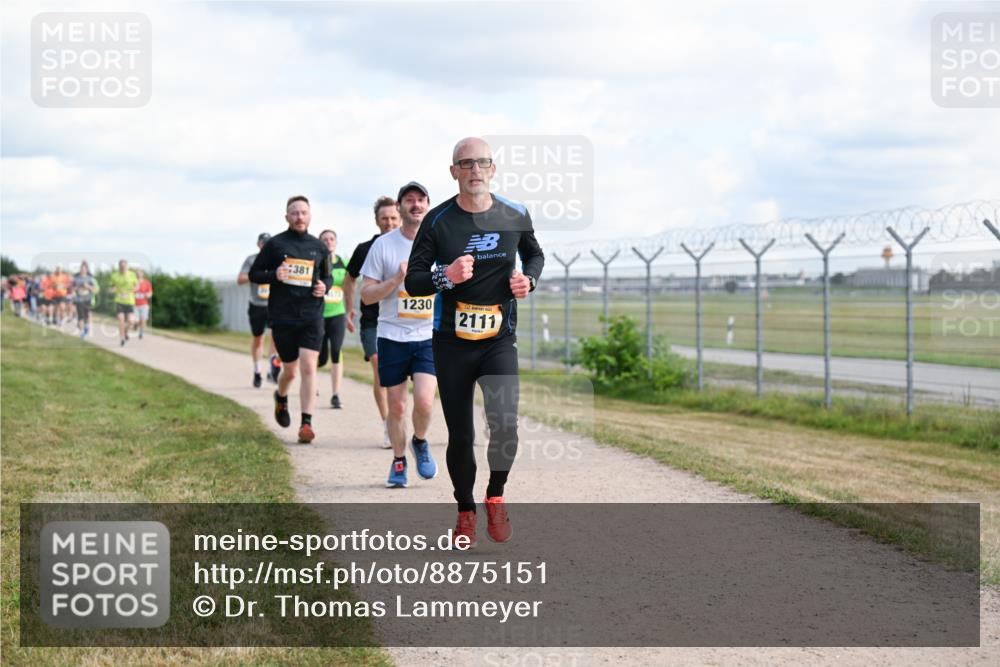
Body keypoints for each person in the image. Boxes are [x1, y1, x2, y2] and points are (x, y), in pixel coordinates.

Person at [406, 137, 544, 547]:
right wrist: (445, 275)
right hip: (451, 341)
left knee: (505, 425)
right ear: (454, 172)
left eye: (482, 162)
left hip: (499, 338)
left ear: (493, 169)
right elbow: (415, 281)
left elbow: (534, 255)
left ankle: (495, 495)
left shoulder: (514, 214)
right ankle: (465, 508)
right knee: (461, 435)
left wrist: (529, 280)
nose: (475, 170)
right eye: (465, 164)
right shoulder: (438, 220)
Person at [361, 182, 439, 489]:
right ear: (399, 206)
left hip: (427, 334)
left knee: (425, 402)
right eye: (410, 200)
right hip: (392, 335)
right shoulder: (384, 246)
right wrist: (397, 278)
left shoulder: (440, 244)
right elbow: (367, 296)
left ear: (428, 205)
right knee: (396, 407)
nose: (416, 205)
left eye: (421, 200)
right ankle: (398, 460)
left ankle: (419, 441)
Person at [248, 195, 331, 444]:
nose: (299, 217)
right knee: (291, 371)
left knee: (308, 366)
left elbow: (328, 277)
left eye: (303, 212)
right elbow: (254, 274)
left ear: (310, 216)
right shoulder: (275, 245)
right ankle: (281, 397)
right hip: (283, 316)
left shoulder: (319, 247)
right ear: (287, 217)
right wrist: (274, 274)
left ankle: (306, 423)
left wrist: (323, 287)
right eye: (294, 213)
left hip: (311, 315)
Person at [345, 196, 402, 447]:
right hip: (372, 320)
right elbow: (349, 279)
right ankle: (388, 424)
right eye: (384, 219)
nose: (389, 223)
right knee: (380, 371)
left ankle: (400, 420)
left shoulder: (412, 244)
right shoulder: (364, 249)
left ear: (399, 218)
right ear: (376, 221)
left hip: (404, 320)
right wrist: (348, 309)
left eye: (393, 218)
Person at [238, 233, 278, 388]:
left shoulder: (276, 259)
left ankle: (272, 369)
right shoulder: (251, 260)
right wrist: (257, 275)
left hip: (274, 304)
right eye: (263, 243)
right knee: (258, 338)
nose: (265, 246)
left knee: (276, 338)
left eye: (268, 243)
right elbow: (240, 280)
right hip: (257, 305)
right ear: (258, 245)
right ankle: (257, 371)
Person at [317, 230, 349, 408]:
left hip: (337, 314)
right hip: (319, 315)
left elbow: (351, 283)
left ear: (336, 242)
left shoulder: (343, 263)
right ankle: (311, 383)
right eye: (325, 239)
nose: (328, 242)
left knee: (336, 351)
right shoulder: (317, 262)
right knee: (320, 358)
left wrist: (350, 311)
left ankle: (336, 394)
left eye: (331, 239)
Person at [109, 259, 139, 346]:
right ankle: (122, 338)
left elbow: (137, 286)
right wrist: (113, 290)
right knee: (121, 320)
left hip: (129, 301)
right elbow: (111, 287)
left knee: (131, 321)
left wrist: (131, 291)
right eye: (121, 266)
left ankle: (126, 331)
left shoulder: (132, 274)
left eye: (124, 266)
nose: (123, 268)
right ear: (119, 267)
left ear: (127, 266)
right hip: (119, 301)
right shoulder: (114, 275)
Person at [72, 262, 99, 338]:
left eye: (84, 268)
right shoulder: (76, 278)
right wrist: (76, 289)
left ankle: (86, 327)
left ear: (87, 269)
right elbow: (71, 289)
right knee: (80, 316)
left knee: (87, 316)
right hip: (79, 299)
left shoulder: (91, 279)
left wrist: (88, 287)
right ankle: (82, 332)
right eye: (81, 268)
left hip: (88, 299)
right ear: (80, 269)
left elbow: (96, 290)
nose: (83, 270)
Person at [133, 269, 153, 339]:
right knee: (136, 320)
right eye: (137, 273)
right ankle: (135, 325)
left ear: (142, 274)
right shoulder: (133, 282)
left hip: (144, 304)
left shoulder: (147, 283)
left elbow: (150, 292)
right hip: (134, 304)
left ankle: (141, 333)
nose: (138, 274)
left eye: (140, 273)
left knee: (143, 319)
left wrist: (148, 295)